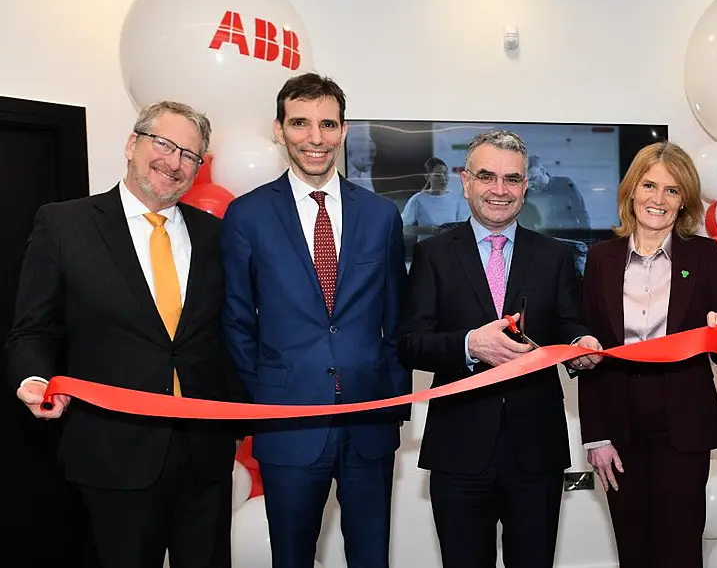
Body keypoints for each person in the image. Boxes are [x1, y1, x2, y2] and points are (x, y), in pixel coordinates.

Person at [6, 100, 247, 568]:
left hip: (205, 456)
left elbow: (228, 334)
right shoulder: (64, 225)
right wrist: (33, 379)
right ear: (132, 144)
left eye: (190, 156)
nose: (174, 162)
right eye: (164, 144)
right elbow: (32, 331)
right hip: (113, 454)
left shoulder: (216, 236)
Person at [221, 73, 409, 568]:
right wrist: (265, 395)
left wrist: (389, 393)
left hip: (369, 421)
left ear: (344, 130)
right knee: (292, 556)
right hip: (286, 422)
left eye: (328, 124)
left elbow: (397, 316)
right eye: (300, 123)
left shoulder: (381, 215)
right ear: (279, 130)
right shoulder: (248, 215)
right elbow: (237, 320)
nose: (315, 137)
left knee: (371, 557)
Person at [397, 130, 601, 568]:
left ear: (525, 186)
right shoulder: (432, 255)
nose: (499, 190)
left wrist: (581, 342)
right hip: (458, 448)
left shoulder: (555, 256)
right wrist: (471, 345)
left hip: (536, 450)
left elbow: (570, 324)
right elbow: (411, 343)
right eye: (487, 176)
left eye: (512, 179)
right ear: (466, 181)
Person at [577, 141, 717, 568]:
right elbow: (587, 352)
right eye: (649, 185)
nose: (658, 199)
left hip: (683, 427)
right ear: (632, 189)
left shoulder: (702, 256)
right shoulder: (600, 259)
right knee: (633, 550)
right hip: (618, 428)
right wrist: (595, 435)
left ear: (684, 200)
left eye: (672, 190)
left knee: (681, 551)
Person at [400, 156, 469, 241]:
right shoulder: (418, 199)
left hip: (450, 248)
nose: (443, 178)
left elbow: (463, 225)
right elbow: (403, 228)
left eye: (445, 174)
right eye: (437, 175)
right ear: (428, 177)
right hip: (426, 248)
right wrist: (432, 230)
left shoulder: (455, 198)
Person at [523, 154, 591, 231]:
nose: (530, 184)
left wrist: (586, 236)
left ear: (542, 171)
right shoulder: (525, 194)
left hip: (567, 237)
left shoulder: (565, 185)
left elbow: (581, 213)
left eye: (534, 178)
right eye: (526, 181)